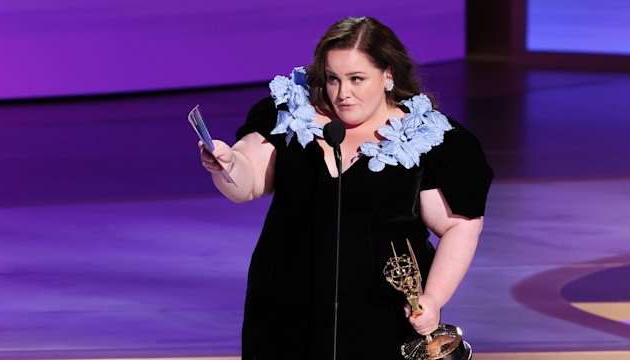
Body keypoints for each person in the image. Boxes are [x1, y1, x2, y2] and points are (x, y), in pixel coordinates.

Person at [199, 16, 493, 360]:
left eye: (356, 79)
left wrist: (433, 298)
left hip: (382, 311)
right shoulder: (293, 114)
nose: (343, 93)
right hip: (286, 301)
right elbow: (246, 182)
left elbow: (459, 225)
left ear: (388, 74)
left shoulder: (426, 136)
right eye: (333, 79)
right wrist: (227, 164)